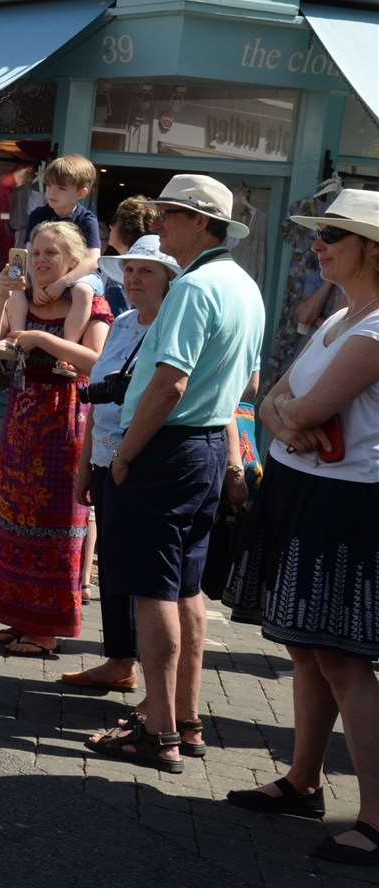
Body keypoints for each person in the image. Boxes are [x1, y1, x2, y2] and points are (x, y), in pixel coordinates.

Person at [223, 187, 379, 862]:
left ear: (372, 248)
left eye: (331, 236)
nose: (317, 246)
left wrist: (292, 419)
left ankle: (376, 817)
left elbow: (303, 409)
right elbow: (274, 399)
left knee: (343, 658)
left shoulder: (374, 328)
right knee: (306, 648)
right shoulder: (342, 318)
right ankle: (303, 779)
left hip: (346, 504)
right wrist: (291, 420)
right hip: (306, 490)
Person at [94, 173, 263, 772]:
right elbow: (244, 383)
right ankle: (184, 722)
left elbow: (170, 383)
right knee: (185, 588)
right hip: (206, 448)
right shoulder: (243, 284)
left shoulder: (194, 287)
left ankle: (160, 729)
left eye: (169, 214)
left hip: (171, 447)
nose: (158, 225)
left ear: (200, 222)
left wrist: (125, 452)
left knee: (153, 590)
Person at [0, 221, 111, 657]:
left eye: (52, 254)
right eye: (37, 254)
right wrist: (1, 294)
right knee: (15, 515)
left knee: (54, 518)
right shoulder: (20, 297)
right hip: (22, 417)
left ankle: (46, 629)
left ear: (72, 261)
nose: (43, 261)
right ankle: (17, 618)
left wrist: (42, 341)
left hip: (64, 418)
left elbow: (97, 362)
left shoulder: (91, 302)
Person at [62, 235, 180, 695]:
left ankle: (156, 687)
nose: (133, 279)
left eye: (146, 271)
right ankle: (118, 659)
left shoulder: (172, 326)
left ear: (169, 279)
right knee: (112, 563)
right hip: (105, 453)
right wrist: (84, 463)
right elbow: (98, 394)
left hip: (142, 458)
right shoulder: (125, 322)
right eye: (129, 270)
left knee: (143, 574)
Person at [21, 154, 104, 346]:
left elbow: (93, 260)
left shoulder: (86, 219)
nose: (52, 191)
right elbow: (28, 252)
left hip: (78, 276)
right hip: (41, 273)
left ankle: (68, 348)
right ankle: (15, 337)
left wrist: (62, 282)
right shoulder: (38, 215)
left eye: (61, 187)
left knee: (83, 291)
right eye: (49, 185)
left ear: (81, 192)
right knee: (15, 283)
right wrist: (35, 282)